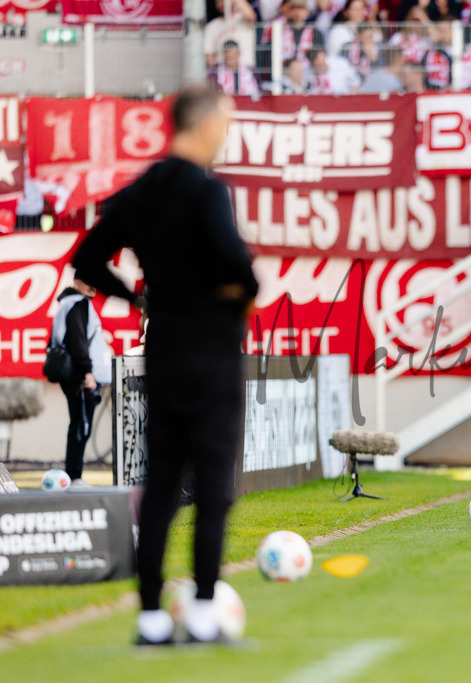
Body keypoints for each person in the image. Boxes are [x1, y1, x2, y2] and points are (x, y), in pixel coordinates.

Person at [72, 85, 259, 644]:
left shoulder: (138, 193)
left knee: (160, 486)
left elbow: (85, 258)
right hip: (212, 352)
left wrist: (136, 297)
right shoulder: (206, 191)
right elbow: (237, 266)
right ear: (203, 125)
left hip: (165, 349)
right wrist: (238, 294)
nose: (225, 132)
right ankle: (202, 613)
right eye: (223, 122)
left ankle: (151, 618)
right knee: (214, 487)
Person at [51, 273, 112, 487]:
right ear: (76, 282)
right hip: (81, 377)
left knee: (78, 424)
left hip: (76, 375)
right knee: (81, 426)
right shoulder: (78, 304)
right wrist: (88, 372)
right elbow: (78, 342)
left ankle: (73, 475)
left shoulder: (68, 303)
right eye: (87, 280)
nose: (92, 286)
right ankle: (74, 476)